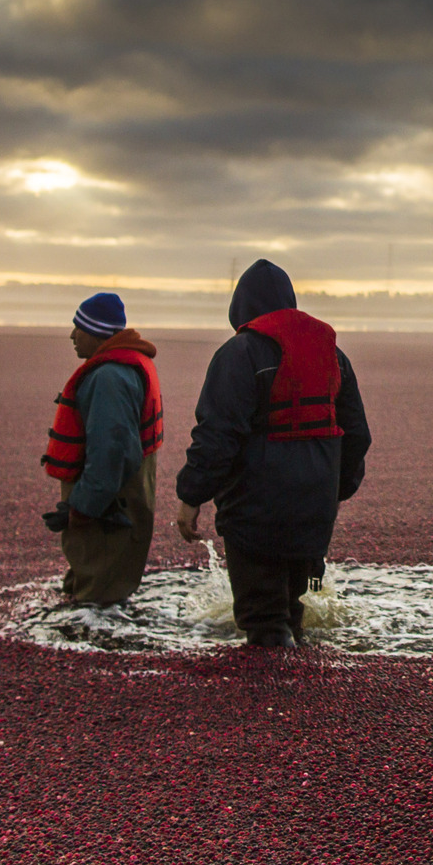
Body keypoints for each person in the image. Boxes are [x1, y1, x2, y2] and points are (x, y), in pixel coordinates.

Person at [174, 262, 371, 646]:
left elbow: (216, 436)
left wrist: (190, 496)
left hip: (255, 512)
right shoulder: (333, 355)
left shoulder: (239, 353)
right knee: (294, 606)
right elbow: (357, 434)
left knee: (263, 616)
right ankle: (301, 690)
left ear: (241, 307)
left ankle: (272, 695)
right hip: (315, 510)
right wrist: (335, 490)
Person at [41, 292, 163, 605]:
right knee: (94, 581)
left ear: (97, 333)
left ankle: (98, 645)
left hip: (109, 506)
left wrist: (81, 508)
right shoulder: (124, 369)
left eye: (78, 329)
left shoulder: (109, 377)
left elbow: (113, 452)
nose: (71, 336)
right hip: (118, 498)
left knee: (99, 594)